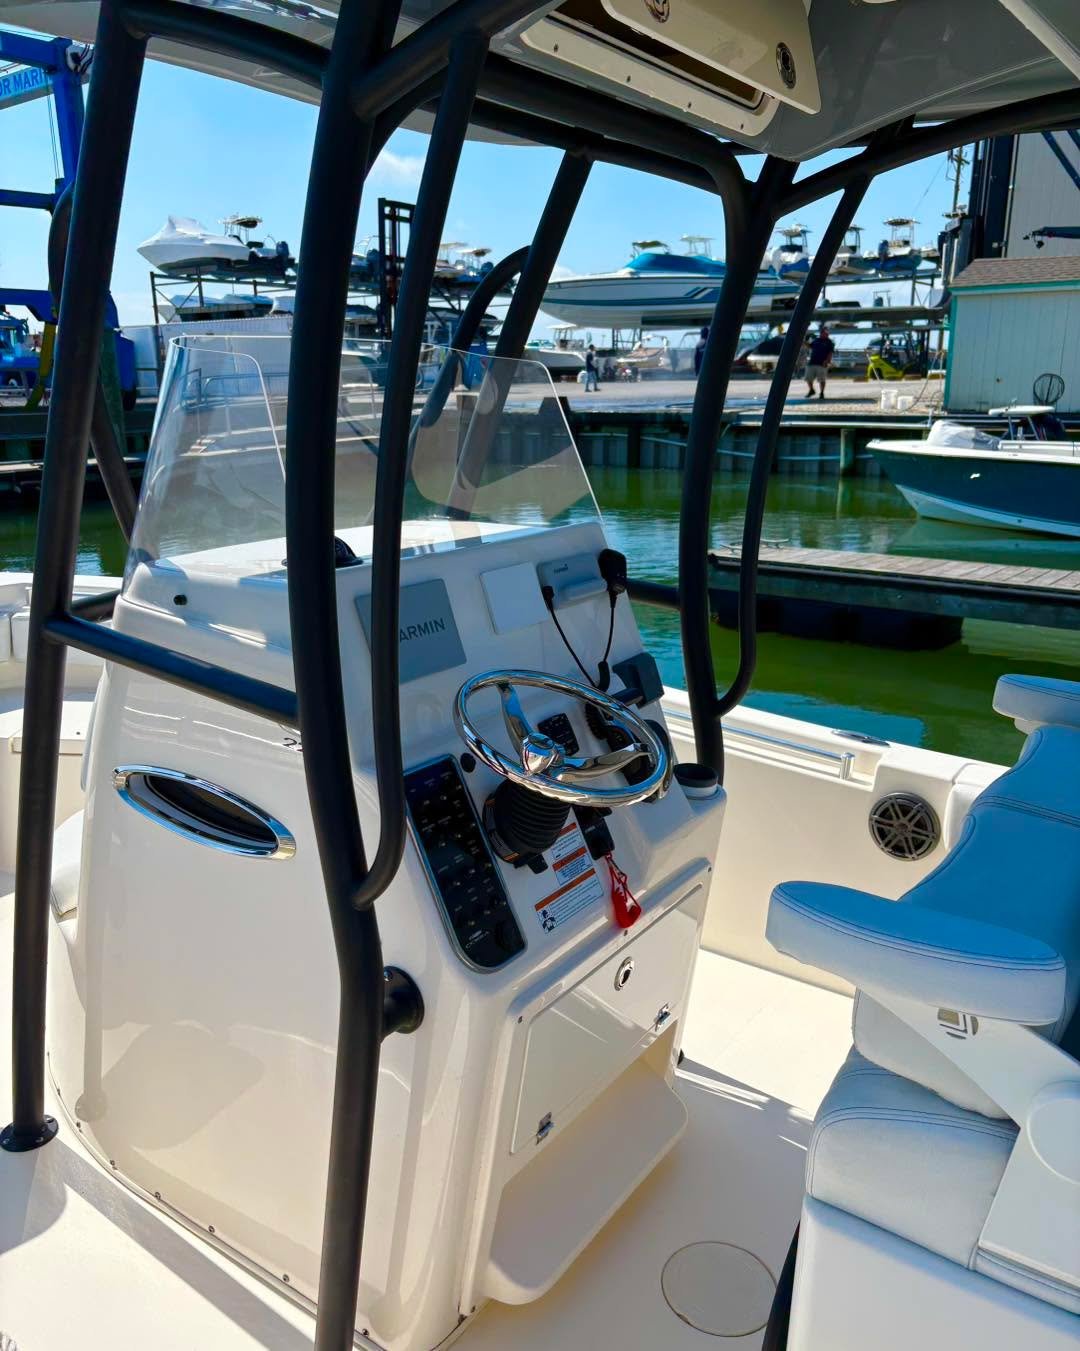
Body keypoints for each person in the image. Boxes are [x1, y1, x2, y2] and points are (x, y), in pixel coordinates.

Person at [804, 325, 834, 399]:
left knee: (822, 379)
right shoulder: (816, 340)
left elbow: (830, 353)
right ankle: (811, 390)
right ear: (821, 333)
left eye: (827, 333)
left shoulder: (829, 342)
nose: (827, 334)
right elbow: (810, 346)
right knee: (808, 378)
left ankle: (822, 393)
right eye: (825, 333)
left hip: (822, 364)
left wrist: (827, 361)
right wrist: (804, 342)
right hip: (812, 362)